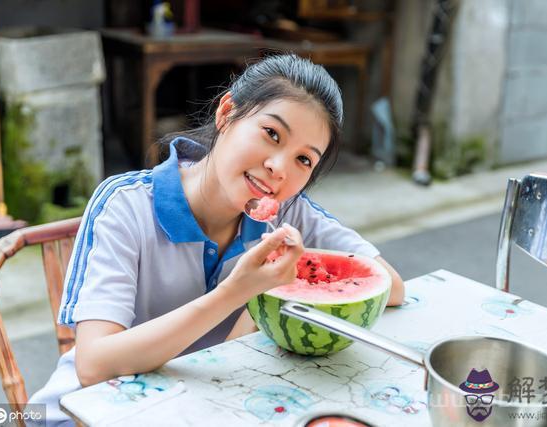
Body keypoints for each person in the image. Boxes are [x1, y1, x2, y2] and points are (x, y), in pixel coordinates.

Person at [28, 54, 404, 425]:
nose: (278, 168)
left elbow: (392, 287)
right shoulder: (125, 205)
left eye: (304, 160)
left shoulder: (290, 212)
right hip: (85, 411)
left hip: (200, 407)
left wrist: (302, 278)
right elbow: (94, 366)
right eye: (271, 134)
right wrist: (238, 292)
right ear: (227, 113)